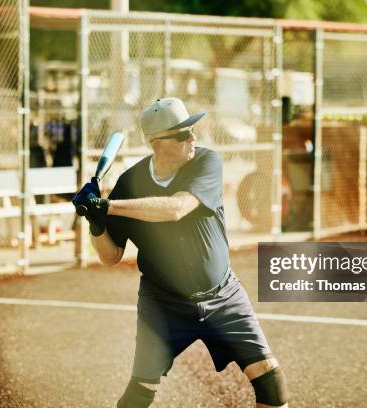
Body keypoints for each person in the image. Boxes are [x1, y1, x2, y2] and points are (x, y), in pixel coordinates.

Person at [72, 97, 289, 408]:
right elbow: (111, 256)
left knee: (271, 381)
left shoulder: (206, 161)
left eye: (191, 129)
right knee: (139, 392)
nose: (193, 137)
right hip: (163, 304)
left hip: (223, 294)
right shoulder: (130, 183)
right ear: (157, 144)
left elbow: (177, 208)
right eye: (182, 133)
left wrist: (108, 206)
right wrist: (96, 224)